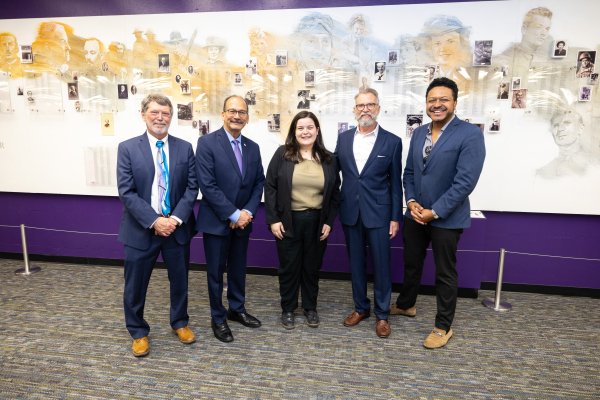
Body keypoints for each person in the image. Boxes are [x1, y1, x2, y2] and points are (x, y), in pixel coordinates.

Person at [390, 77, 485, 349]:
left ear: (455, 102)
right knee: (411, 263)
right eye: (432, 100)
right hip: (415, 214)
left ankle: (443, 326)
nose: (437, 104)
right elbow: (409, 172)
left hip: (447, 217)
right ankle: (407, 305)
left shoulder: (470, 134)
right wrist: (411, 203)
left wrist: (436, 211)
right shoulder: (419, 133)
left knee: (445, 272)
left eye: (443, 99)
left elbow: (465, 182)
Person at [116, 93, 199, 357]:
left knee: (180, 281)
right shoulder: (128, 148)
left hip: (176, 228)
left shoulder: (185, 147)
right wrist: (154, 221)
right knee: (135, 284)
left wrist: (173, 219)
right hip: (141, 229)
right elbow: (126, 192)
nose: (160, 118)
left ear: (171, 117)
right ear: (143, 115)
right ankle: (138, 332)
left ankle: (180, 322)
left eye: (165, 113)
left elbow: (191, 187)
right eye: (154, 112)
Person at [195, 95, 265, 343]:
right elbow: (208, 185)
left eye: (242, 112)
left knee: (238, 269)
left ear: (247, 116)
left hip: (243, 222)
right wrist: (233, 214)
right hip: (216, 222)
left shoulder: (253, 147)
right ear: (223, 114)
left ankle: (237, 309)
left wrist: (247, 213)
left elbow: (258, 184)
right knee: (215, 272)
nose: (237, 116)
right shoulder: (206, 143)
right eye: (232, 111)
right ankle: (218, 317)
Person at [335, 87, 403, 338]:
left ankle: (383, 314)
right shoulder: (343, 139)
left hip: (380, 214)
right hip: (351, 212)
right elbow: (335, 173)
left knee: (382, 265)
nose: (365, 109)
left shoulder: (392, 141)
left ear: (378, 109)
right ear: (354, 110)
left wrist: (395, 216)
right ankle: (361, 307)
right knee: (356, 264)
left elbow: (396, 183)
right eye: (361, 105)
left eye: (370, 105)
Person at [265, 111, 340, 330]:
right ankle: (288, 308)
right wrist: (273, 219)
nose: (305, 132)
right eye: (300, 128)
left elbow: (335, 193)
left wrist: (329, 221)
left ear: (317, 130)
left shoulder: (329, 158)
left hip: (317, 221)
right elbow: (270, 186)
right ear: (294, 132)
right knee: (289, 267)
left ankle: (310, 308)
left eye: (309, 127)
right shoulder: (283, 154)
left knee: (311, 267)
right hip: (288, 221)